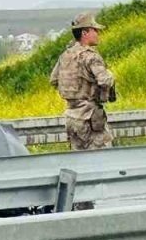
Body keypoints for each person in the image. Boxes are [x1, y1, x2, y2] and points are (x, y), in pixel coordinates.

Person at [50, 12, 117, 151]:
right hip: (90, 120)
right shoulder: (90, 57)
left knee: (79, 163)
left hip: (72, 118)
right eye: (95, 30)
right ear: (85, 32)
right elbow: (104, 81)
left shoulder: (66, 55)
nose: (98, 33)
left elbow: (54, 80)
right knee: (105, 162)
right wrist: (110, 75)